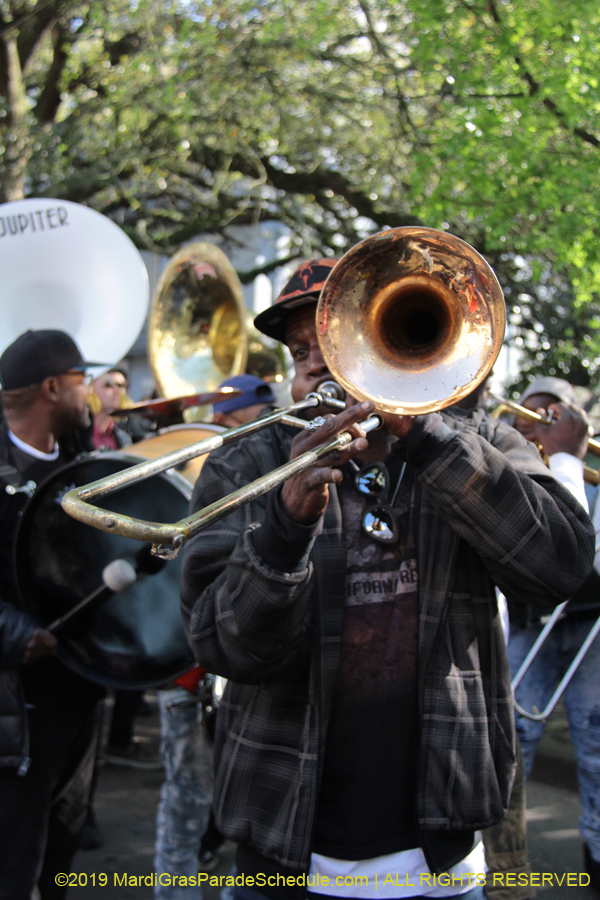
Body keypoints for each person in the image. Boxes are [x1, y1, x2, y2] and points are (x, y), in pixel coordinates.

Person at [179, 259, 594, 900]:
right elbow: (222, 647)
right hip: (283, 851)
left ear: (383, 343)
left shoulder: (478, 440)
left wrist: (425, 434)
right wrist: (284, 527)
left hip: (442, 856)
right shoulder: (246, 463)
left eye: (330, 341)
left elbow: (560, 567)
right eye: (298, 353)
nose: (313, 367)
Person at [154, 374, 275, 900]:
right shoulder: (194, 458)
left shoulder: (274, 456)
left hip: (243, 669)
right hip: (187, 665)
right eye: (255, 414)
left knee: (244, 806)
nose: (266, 422)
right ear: (225, 417)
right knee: (187, 797)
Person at [0, 329, 107, 900]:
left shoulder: (78, 466)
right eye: (80, 380)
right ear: (50, 389)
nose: (88, 390)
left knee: (60, 856)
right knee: (14, 862)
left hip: (77, 692)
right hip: (16, 705)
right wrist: (14, 631)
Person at [508, 376, 600, 888]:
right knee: (513, 739)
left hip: (588, 625)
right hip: (529, 623)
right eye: (528, 413)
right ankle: (504, 866)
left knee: (596, 742)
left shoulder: (590, 471)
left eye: (551, 414)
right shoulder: (507, 463)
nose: (538, 424)